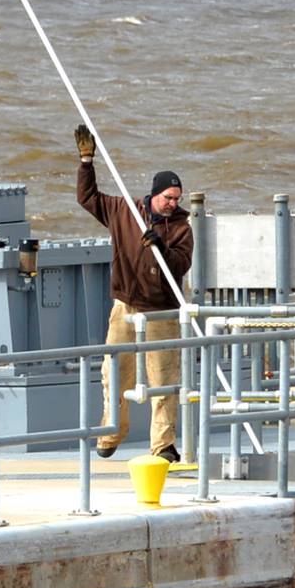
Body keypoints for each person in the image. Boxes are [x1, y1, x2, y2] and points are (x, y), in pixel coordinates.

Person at [75, 123, 193, 462]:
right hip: (125, 306)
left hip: (160, 311)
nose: (173, 203)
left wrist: (162, 248)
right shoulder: (124, 211)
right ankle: (112, 433)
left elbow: (181, 264)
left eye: (177, 199)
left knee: (164, 381)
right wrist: (86, 162)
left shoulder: (182, 228)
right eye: (168, 197)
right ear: (154, 194)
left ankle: (163, 445)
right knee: (114, 373)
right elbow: (87, 198)